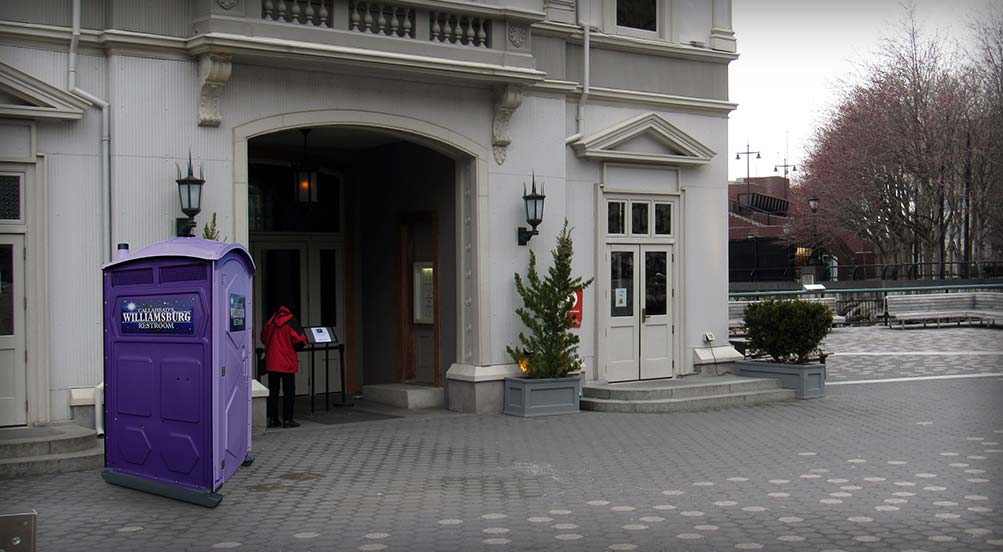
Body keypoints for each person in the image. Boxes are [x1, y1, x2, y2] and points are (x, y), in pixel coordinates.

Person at [261, 305, 307, 428]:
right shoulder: (292, 321)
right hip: (287, 362)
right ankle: (288, 419)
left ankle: (272, 419)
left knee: (273, 392)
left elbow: (263, 338)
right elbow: (299, 341)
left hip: (272, 363)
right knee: (289, 392)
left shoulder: (271, 322)